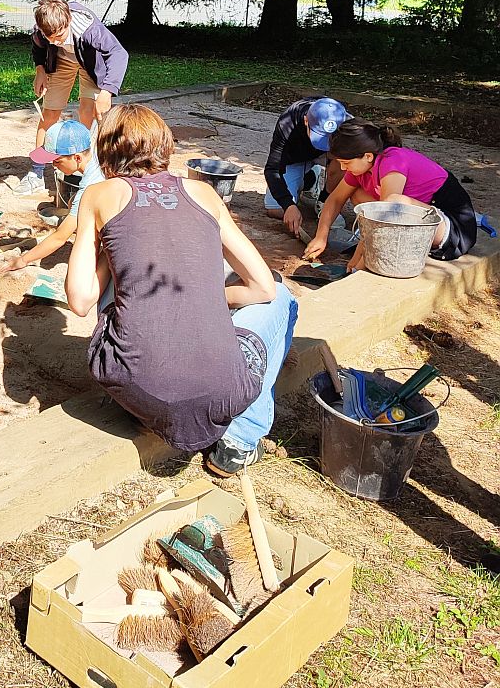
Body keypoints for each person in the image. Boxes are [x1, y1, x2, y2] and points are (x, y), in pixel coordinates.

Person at [66, 105, 297, 477]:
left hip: (135, 387)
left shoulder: (98, 195)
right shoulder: (203, 193)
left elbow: (79, 301)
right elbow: (262, 287)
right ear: (164, 147)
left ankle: (145, 406)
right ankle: (239, 441)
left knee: (124, 280)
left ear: (106, 151)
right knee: (284, 298)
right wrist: (209, 299)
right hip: (224, 394)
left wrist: (110, 252)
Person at [305, 121, 477, 270]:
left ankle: (374, 252)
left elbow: (386, 215)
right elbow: (335, 199)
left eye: (346, 163)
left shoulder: (393, 161)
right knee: (357, 195)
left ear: (367, 156)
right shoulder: (364, 165)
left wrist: (361, 261)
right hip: (423, 217)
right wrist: (321, 236)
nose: (343, 168)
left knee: (394, 202)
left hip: (453, 230)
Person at [12, 0, 128, 197]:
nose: (55, 40)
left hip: (89, 62)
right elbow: (39, 47)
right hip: (61, 61)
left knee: (89, 112)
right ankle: (37, 172)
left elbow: (118, 53)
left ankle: (88, 169)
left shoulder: (88, 30)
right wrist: (40, 70)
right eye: (51, 38)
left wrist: (107, 91)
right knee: (49, 113)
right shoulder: (44, 28)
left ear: (68, 21)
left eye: (60, 35)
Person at [2, 119, 102, 273]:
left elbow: (59, 238)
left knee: (80, 210)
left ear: (77, 158)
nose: (53, 166)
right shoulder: (97, 158)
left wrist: (23, 260)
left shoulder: (90, 187)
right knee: (72, 202)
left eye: (56, 161)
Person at [263, 96, 351, 238]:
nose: (326, 142)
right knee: (277, 210)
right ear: (306, 121)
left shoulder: (349, 123)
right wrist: (288, 205)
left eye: (331, 137)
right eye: (321, 136)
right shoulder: (288, 121)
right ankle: (310, 180)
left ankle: (324, 200)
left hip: (332, 157)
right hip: (297, 158)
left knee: (345, 160)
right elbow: (272, 169)